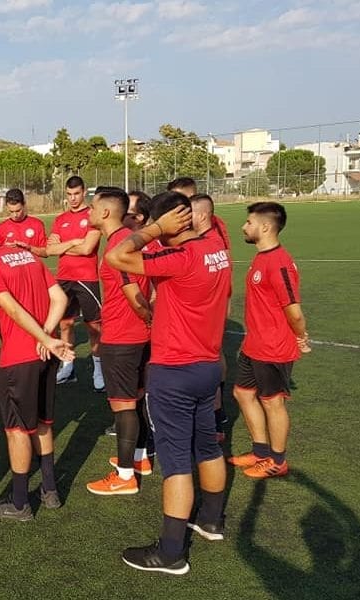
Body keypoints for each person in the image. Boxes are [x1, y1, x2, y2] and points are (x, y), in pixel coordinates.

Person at [106, 191, 231, 575]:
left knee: (176, 461)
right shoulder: (216, 249)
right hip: (207, 366)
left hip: (174, 370)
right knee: (207, 446)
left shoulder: (179, 258)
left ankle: (171, 551)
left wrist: (155, 230)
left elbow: (117, 256)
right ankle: (211, 520)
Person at [0, 227, 73, 520]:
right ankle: (50, 490)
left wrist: (42, 338)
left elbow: (13, 309)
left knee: (17, 430)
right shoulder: (28, 256)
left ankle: (20, 501)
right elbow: (60, 299)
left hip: (18, 358)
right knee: (43, 422)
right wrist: (47, 335)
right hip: (46, 353)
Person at [229, 202, 309, 479]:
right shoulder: (262, 257)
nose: (244, 227)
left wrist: (301, 336)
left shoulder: (279, 262)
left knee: (273, 402)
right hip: (254, 344)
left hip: (273, 347)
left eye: (249, 222)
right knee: (242, 393)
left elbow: (294, 311)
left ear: (264, 227)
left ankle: (277, 461)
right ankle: (260, 452)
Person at [85, 189, 154, 496]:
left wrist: (147, 317)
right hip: (137, 336)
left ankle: (125, 476)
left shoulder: (118, 245)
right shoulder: (131, 239)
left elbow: (134, 295)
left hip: (122, 337)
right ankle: (139, 458)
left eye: (92, 207)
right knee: (135, 399)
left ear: (105, 212)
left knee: (124, 406)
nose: (88, 211)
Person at [47, 177, 104, 389]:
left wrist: (61, 246)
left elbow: (87, 249)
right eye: (69, 194)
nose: (73, 198)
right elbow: (50, 249)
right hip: (64, 278)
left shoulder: (92, 217)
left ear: (84, 192)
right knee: (65, 324)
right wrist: (71, 244)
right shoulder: (60, 219)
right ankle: (68, 368)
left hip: (87, 278)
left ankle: (98, 370)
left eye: (77, 194)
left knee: (94, 326)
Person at [190, 193, 232, 441]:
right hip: (211, 313)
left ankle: (210, 425)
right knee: (211, 365)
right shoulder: (216, 243)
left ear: (203, 214)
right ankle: (214, 424)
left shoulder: (205, 244)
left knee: (206, 369)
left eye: (189, 212)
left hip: (202, 316)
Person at [0, 188, 48, 257]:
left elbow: (45, 253)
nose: (15, 215)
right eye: (11, 211)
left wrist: (29, 248)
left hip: (33, 264)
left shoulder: (37, 224)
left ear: (24, 205)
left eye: (18, 211)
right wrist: (4, 249)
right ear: (6, 207)